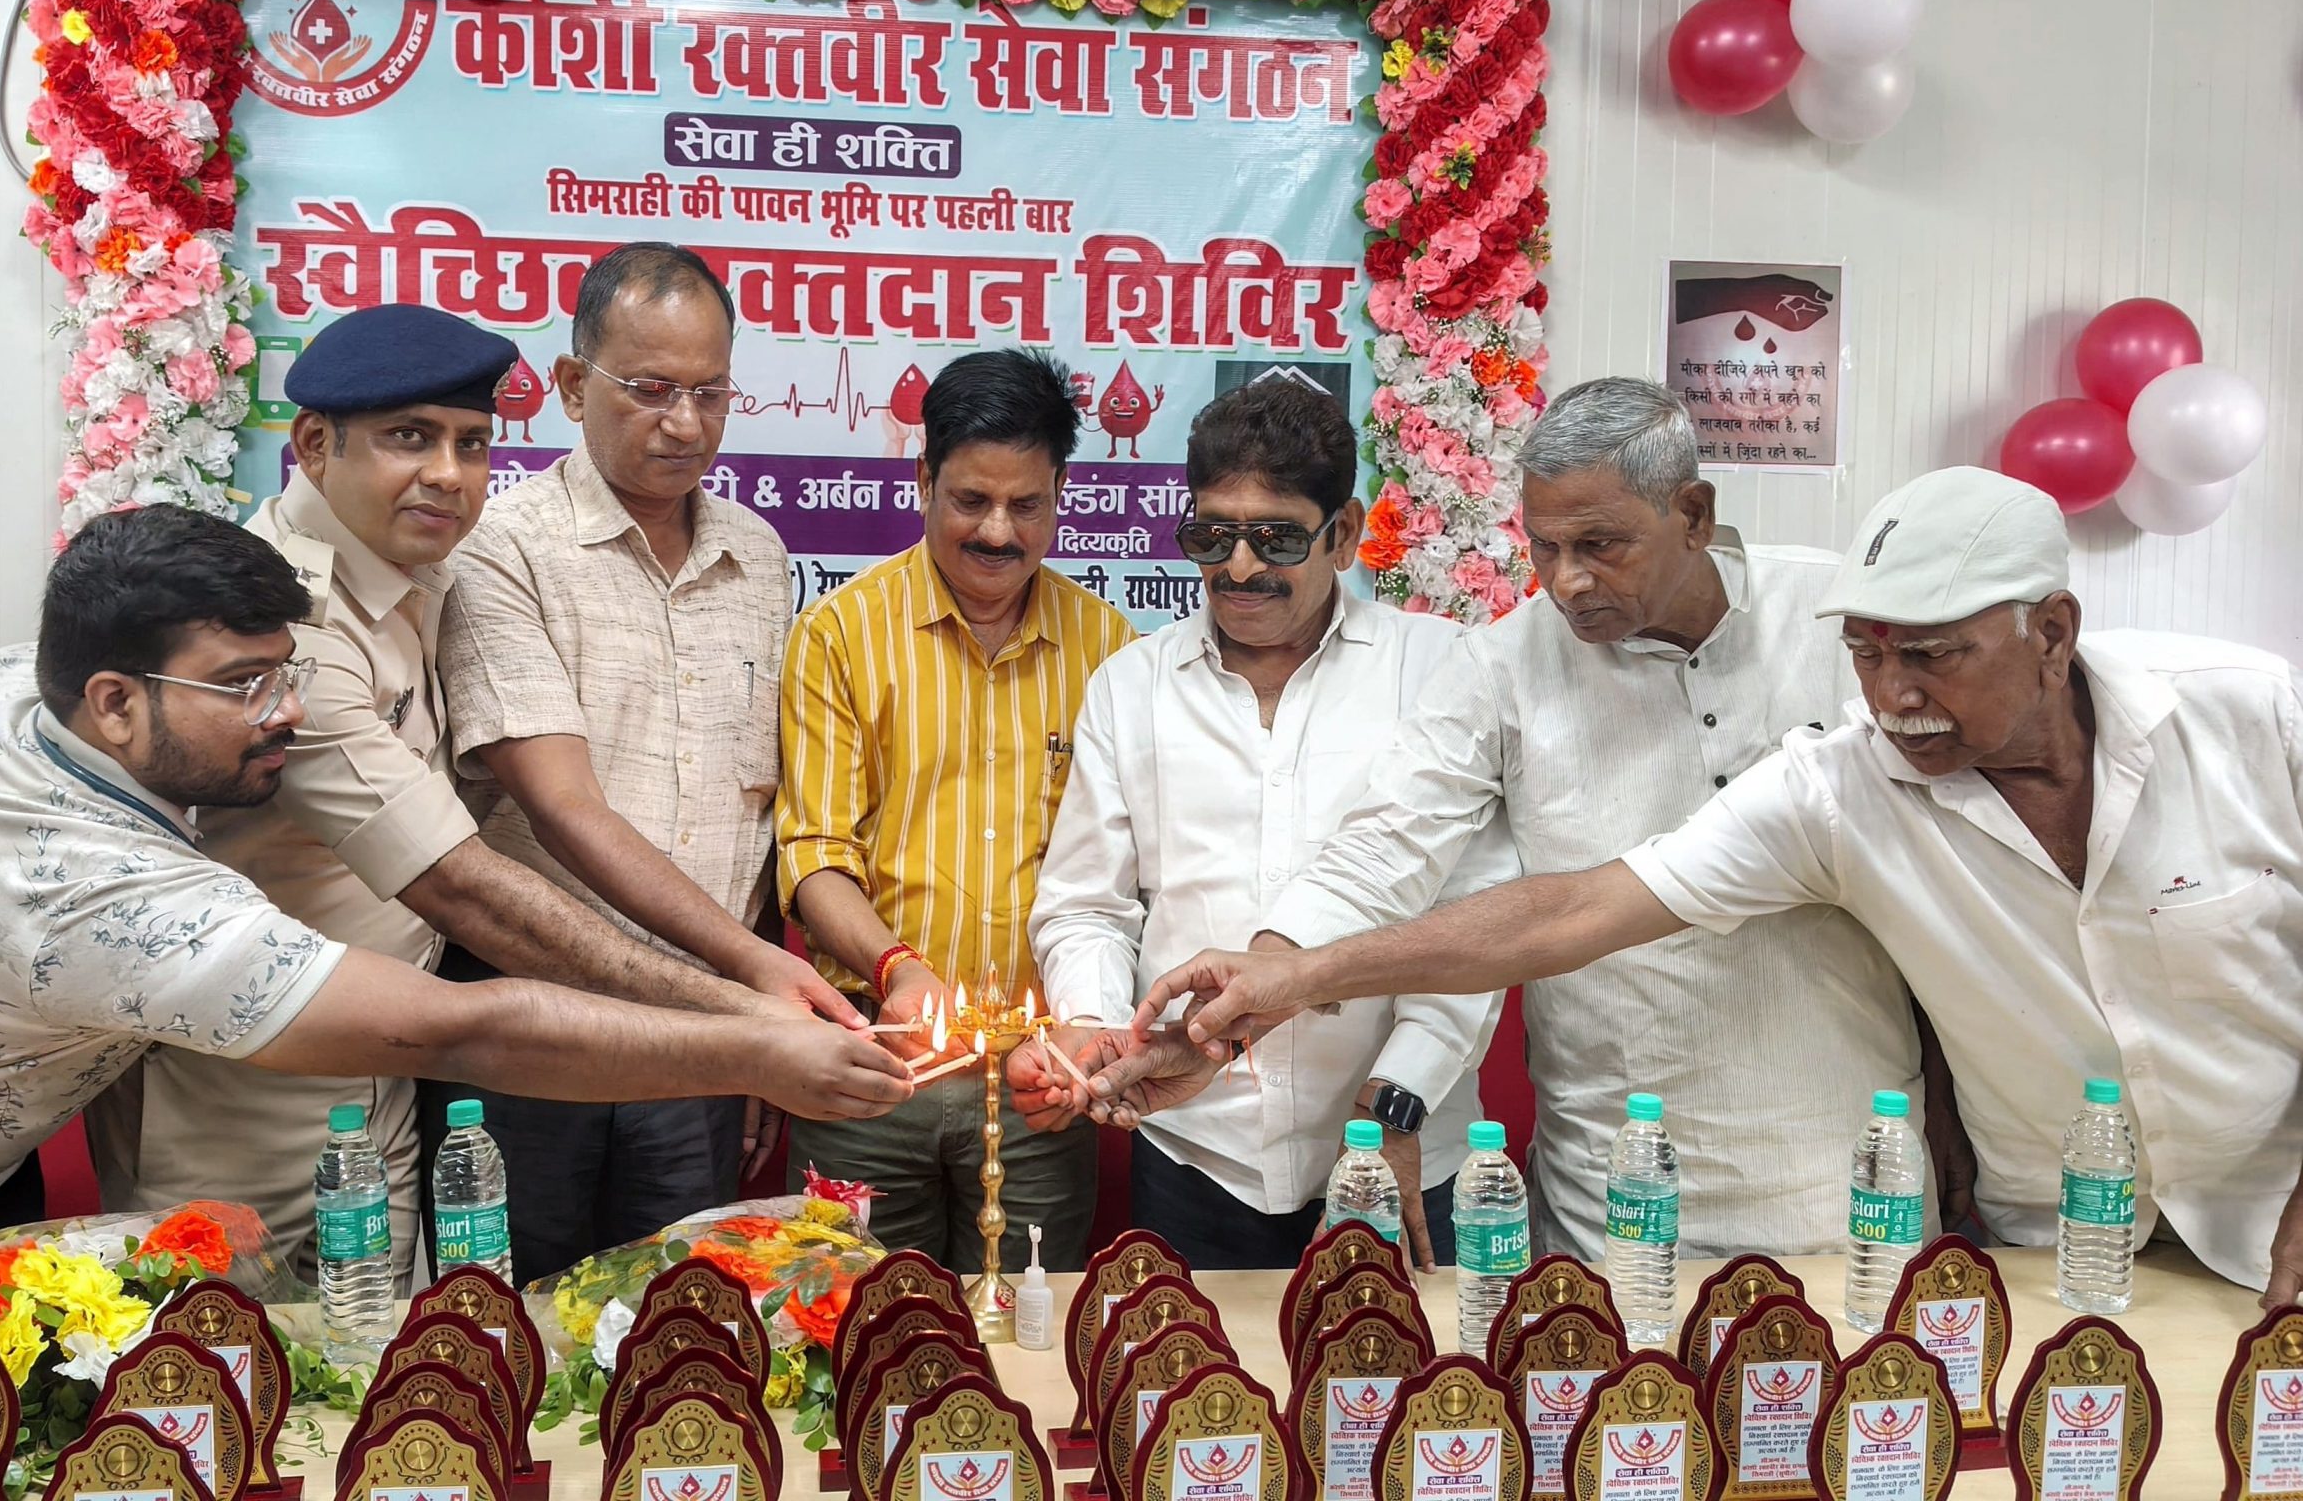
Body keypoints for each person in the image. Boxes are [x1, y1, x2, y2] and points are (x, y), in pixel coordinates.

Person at [1128, 465, 2303, 1305]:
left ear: (2051, 631)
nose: (1892, 694)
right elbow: (1576, 907)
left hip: (2275, 1217)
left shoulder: (2250, 715)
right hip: (2056, 1248)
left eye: (1932, 653)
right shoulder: (1843, 786)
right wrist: (1289, 976)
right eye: (1865, 653)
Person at [0, 506, 911, 1272]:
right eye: (244, 684)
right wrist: (756, 1049)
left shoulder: (3, 692)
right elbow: (468, 1027)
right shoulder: (94, 899)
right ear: (115, 700)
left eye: (286, 672)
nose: (288, 712)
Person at [88, 305, 838, 1284]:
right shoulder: (280, 627)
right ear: (312, 445)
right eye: (410, 437)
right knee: (225, 1352)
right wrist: (744, 1016)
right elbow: (462, 885)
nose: (447, 472)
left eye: (471, 443)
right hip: (249, 1094)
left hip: (391, 1081)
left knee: (403, 1349)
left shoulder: (419, 576)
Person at [1145, 378, 1926, 1260]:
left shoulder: (1839, 625)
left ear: (1694, 515)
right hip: (1610, 1189)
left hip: (1850, 1176)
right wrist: (1264, 975)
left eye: (1601, 545)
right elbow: (1385, 847)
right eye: (1544, 546)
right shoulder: (1503, 665)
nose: (1567, 581)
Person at [1007, 379, 1510, 1271]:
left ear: (1343, 534)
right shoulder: (1134, 686)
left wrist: (1397, 1102)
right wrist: (1094, 1025)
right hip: (1196, 1152)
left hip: (1401, 1151)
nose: (1239, 568)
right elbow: (1087, 905)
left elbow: (1475, 919)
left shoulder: (1439, 669)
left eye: (1275, 538)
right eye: (1213, 537)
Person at [430, 244, 838, 1279]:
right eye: (650, 389)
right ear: (573, 386)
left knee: (686, 1316)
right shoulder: (500, 546)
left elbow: (754, 812)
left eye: (710, 392)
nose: (685, 423)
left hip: (702, 1036)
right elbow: (564, 808)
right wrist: (756, 986)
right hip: (533, 1021)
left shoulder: (759, 555)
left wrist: (750, 1025)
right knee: (515, 1321)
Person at [778, 348, 1137, 1269]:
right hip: (871, 1060)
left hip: (1038, 1077)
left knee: (1029, 1331)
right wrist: (897, 968)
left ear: (1061, 494)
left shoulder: (1110, 649)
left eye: (1027, 504)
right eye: (971, 500)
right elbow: (814, 853)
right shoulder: (840, 635)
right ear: (924, 480)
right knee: (856, 1324)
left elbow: (1130, 869)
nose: (999, 531)